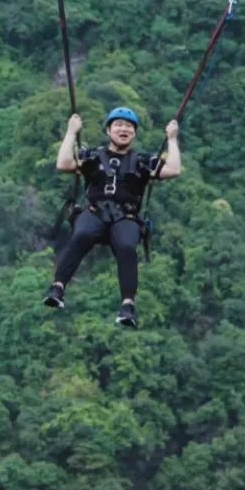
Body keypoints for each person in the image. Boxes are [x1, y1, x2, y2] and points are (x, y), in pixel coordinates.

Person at [44, 106, 181, 328]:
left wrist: (172, 139)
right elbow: (63, 164)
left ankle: (127, 305)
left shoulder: (143, 161)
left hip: (126, 217)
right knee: (82, 234)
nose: (123, 129)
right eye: (118, 125)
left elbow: (173, 169)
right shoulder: (92, 156)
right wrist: (71, 132)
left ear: (134, 133)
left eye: (128, 127)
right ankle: (58, 287)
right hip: (94, 212)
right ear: (108, 130)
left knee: (127, 246)